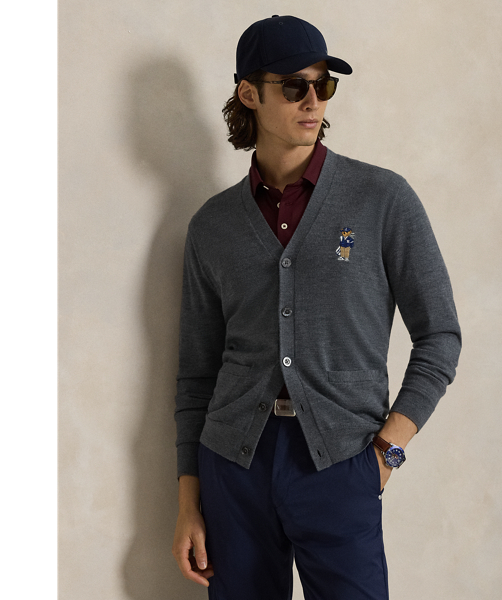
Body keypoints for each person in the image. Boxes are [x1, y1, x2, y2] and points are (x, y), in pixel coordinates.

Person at [172, 14, 461, 600]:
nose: (313, 100)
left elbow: (440, 337)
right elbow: (197, 374)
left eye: (324, 84)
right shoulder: (212, 226)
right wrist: (189, 501)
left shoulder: (382, 199)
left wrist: (387, 452)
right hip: (233, 468)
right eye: (293, 86)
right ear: (249, 94)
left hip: (342, 463)